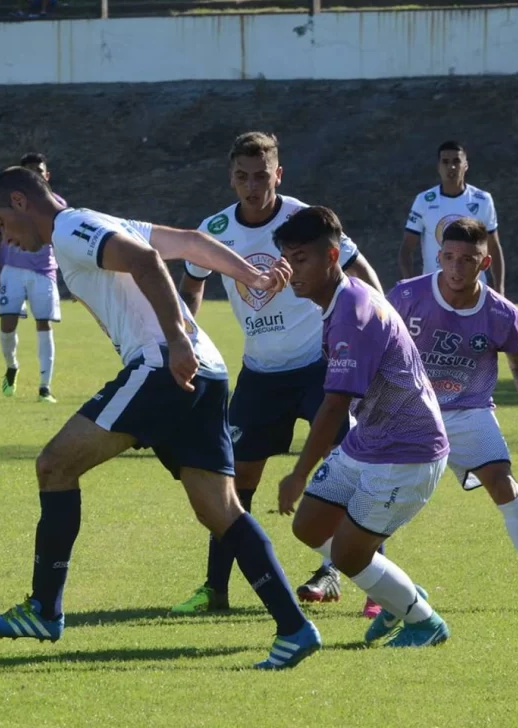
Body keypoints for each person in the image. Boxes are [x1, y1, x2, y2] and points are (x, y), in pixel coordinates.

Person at [0, 166, 322, 670]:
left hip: (165, 365)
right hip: (205, 371)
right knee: (220, 512)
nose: (3, 236)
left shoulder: (71, 230)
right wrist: (251, 276)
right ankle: (294, 628)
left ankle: (43, 608)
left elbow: (144, 261)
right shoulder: (96, 222)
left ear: (20, 201)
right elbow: (190, 242)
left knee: (54, 465)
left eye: (1, 222)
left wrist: (177, 335)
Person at [172, 131, 384, 617]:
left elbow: (359, 268)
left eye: (261, 176)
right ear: (231, 177)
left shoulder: (303, 220)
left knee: (345, 469)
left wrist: (381, 323)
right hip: (260, 374)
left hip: (320, 366)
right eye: (242, 177)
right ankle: (214, 588)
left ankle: (364, 579)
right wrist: (185, 335)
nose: (252, 187)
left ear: (278, 175)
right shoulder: (215, 228)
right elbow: (192, 287)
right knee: (233, 479)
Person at [275, 206, 451, 648]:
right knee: (310, 526)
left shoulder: (353, 311)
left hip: (407, 452)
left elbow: (334, 406)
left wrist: (298, 473)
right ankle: (399, 594)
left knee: (351, 554)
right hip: (369, 441)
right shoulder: (339, 298)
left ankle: (423, 621)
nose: (291, 270)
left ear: (332, 256)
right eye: (286, 258)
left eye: (301, 259)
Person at [389, 217, 518, 574]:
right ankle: (363, 578)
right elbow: (375, 349)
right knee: (381, 494)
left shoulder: (502, 314)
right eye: (450, 257)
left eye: (468, 259)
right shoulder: (407, 296)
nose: (457, 266)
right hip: (409, 409)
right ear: (439, 257)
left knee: (502, 482)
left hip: (469, 411)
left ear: (485, 263)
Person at [0, 153, 63, 403]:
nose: (35, 175)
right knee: (7, 324)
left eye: (39, 171)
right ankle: (12, 366)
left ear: (46, 175)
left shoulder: (59, 205)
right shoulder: (11, 206)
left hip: (44, 272)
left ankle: (45, 387)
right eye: (29, 171)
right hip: (13, 270)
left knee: (44, 324)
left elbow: (63, 242)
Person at [399, 140, 505, 295]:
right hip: (435, 291)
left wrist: (500, 288)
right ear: (439, 166)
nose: (451, 167)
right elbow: (406, 249)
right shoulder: (423, 201)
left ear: (466, 165)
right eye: (445, 162)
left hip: (474, 290)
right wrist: (410, 285)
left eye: (457, 161)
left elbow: (494, 247)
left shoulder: (482, 200)